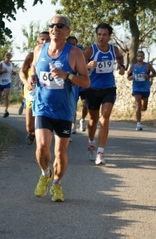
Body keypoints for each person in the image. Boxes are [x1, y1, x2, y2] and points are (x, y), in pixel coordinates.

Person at [29, 15, 89, 202]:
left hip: (64, 110)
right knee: (41, 147)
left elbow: (86, 82)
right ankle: (45, 173)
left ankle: (56, 183)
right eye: (52, 25)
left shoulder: (75, 53)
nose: (55, 28)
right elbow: (33, 67)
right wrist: (32, 77)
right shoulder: (40, 49)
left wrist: (67, 76)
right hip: (42, 107)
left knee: (60, 153)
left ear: (68, 31)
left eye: (60, 26)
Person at [84, 23, 126, 165]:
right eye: (99, 34)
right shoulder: (91, 50)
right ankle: (91, 143)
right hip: (92, 89)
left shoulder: (114, 50)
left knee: (105, 119)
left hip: (109, 88)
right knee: (92, 121)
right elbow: (77, 65)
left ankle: (100, 153)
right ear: (96, 35)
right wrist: (87, 65)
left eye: (104, 35)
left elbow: (120, 59)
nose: (101, 37)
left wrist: (121, 67)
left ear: (109, 36)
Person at [19, 31, 50, 145]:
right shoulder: (31, 56)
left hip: (45, 93)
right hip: (31, 93)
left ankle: (42, 141)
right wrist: (26, 81)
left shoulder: (54, 56)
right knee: (29, 126)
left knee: (43, 121)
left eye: (47, 40)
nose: (45, 42)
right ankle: (32, 133)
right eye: (42, 39)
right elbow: (21, 72)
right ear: (38, 41)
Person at [127, 50, 156, 130]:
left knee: (144, 107)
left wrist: (148, 76)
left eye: (141, 56)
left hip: (145, 88)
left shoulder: (147, 66)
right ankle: (138, 124)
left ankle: (138, 109)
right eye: (138, 56)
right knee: (138, 103)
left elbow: (155, 73)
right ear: (136, 57)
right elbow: (128, 77)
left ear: (144, 57)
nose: (140, 57)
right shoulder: (133, 67)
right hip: (136, 87)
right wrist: (130, 77)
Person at [66, 36, 88, 134]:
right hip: (73, 85)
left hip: (83, 85)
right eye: (69, 44)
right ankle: (73, 125)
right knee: (73, 105)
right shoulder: (66, 57)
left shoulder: (85, 58)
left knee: (86, 104)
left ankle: (82, 119)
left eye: (74, 44)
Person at [0, 52, 16, 118]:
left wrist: (13, 73)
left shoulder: (11, 64)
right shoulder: (1, 63)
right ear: (4, 56)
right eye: (7, 55)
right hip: (0, 82)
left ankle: (6, 110)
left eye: (9, 55)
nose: (8, 56)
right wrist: (2, 72)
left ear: (11, 57)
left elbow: (10, 72)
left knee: (6, 96)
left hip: (7, 82)